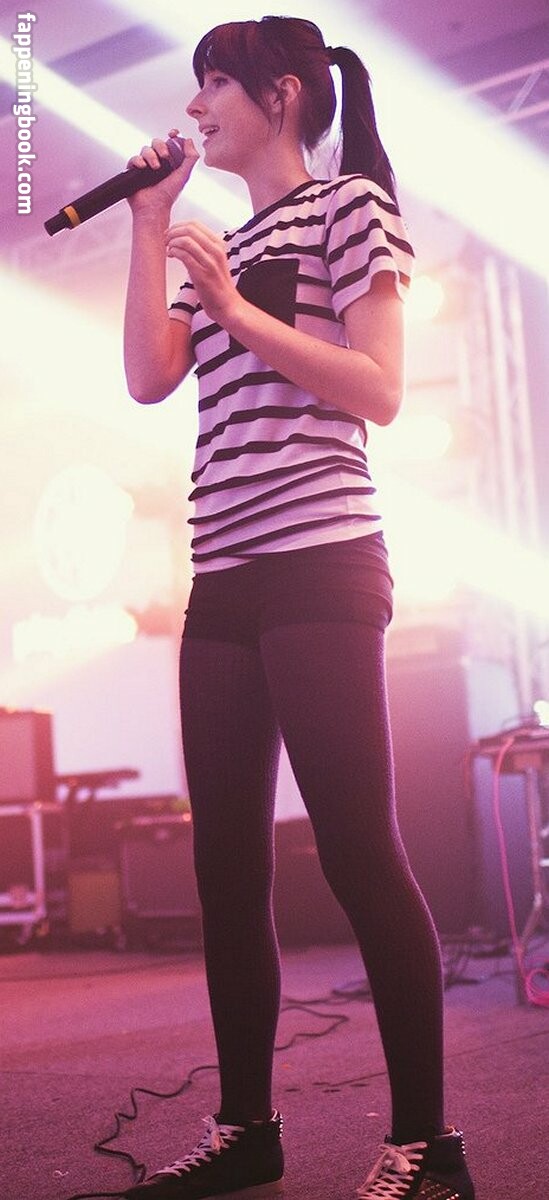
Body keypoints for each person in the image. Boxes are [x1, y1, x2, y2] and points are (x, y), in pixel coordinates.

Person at [122, 16, 475, 1200]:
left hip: (323, 557)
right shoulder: (215, 242)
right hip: (222, 569)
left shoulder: (349, 208)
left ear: (279, 96)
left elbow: (378, 389)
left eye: (213, 83)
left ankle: (429, 1148)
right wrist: (149, 226)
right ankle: (246, 1131)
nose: (196, 107)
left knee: (357, 848)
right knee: (226, 866)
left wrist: (236, 310)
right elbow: (150, 378)